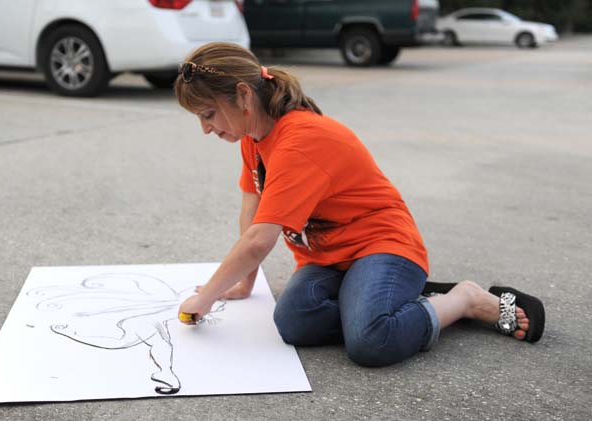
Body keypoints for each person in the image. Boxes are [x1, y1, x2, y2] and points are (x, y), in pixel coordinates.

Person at [174, 42, 545, 367]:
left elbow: (259, 239)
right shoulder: (252, 139)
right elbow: (250, 217)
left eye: (208, 114)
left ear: (243, 95)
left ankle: (463, 300)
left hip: (382, 245)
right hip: (330, 258)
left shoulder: (300, 139)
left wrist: (204, 299)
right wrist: (243, 284)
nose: (206, 129)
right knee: (293, 322)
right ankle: (401, 304)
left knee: (370, 342)